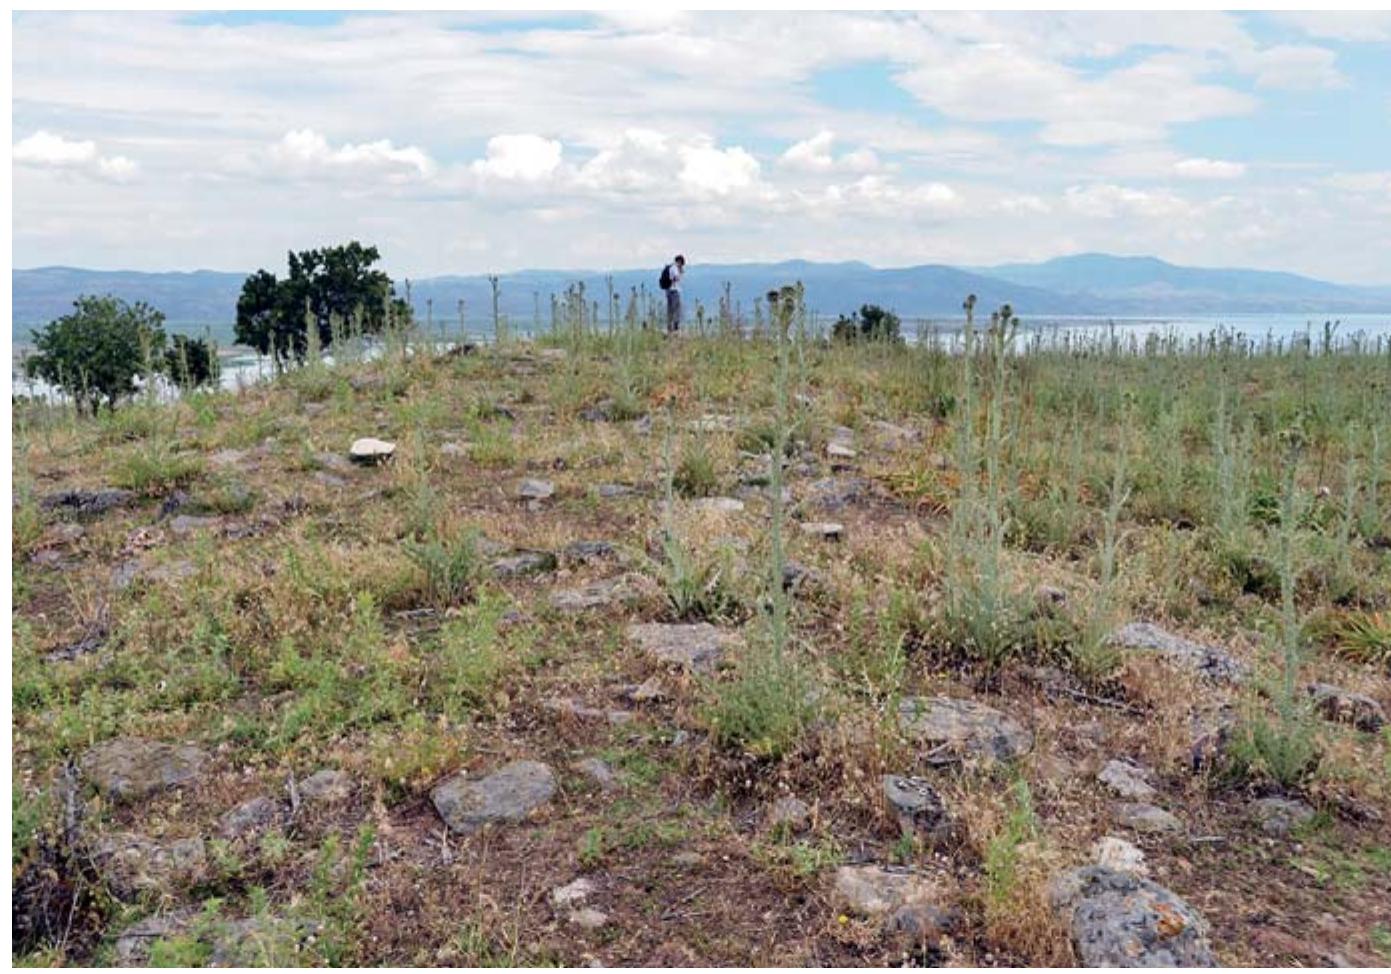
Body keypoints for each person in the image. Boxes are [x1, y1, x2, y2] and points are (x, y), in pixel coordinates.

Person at [660, 254, 686, 333]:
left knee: (670, 309)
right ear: (680, 261)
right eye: (682, 263)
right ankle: (675, 326)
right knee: (676, 309)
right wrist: (680, 272)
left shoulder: (670, 267)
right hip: (674, 290)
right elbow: (676, 278)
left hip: (668, 290)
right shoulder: (674, 268)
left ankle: (669, 326)